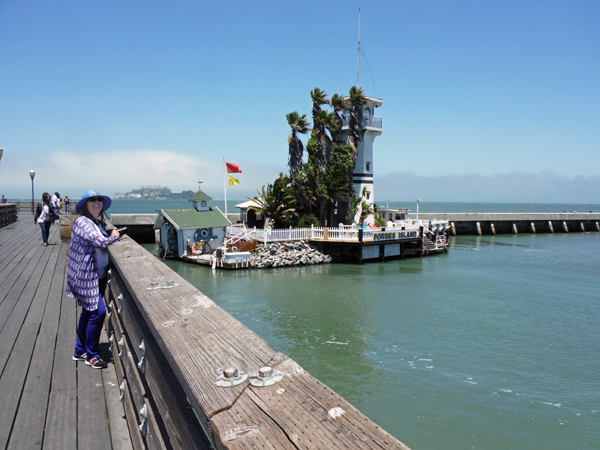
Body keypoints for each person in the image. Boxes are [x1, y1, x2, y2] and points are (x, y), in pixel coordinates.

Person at [66, 189, 121, 369]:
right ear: (85, 205)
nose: (96, 202)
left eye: (99, 199)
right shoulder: (83, 222)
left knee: (89, 312)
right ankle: (92, 355)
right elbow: (100, 242)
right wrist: (113, 237)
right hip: (85, 276)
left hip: (95, 275)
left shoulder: (95, 222)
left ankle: (79, 350)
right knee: (98, 312)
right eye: (92, 200)